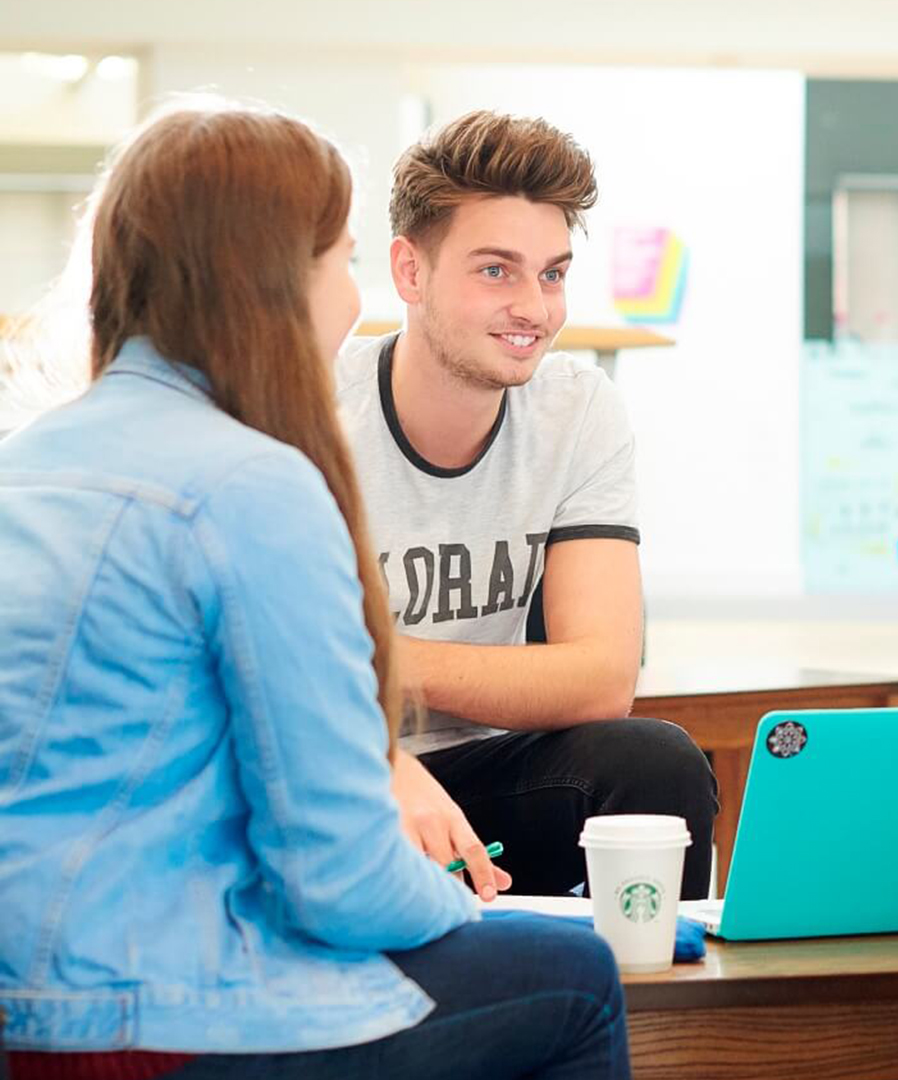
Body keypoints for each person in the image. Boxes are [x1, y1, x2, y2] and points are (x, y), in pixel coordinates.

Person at [0, 103, 627, 1078]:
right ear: (267, 282)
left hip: (29, 1005)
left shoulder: (30, 458)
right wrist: (469, 907)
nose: (352, 298)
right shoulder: (251, 479)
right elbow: (340, 878)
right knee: (576, 972)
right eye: (339, 262)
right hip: (147, 1026)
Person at [338, 110, 717, 900]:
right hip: (335, 769)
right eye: (495, 271)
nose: (536, 309)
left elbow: (601, 678)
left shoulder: (576, 409)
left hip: (488, 775)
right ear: (410, 273)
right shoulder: (316, 409)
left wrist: (383, 656)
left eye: (551, 273)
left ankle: (661, 1014)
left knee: (657, 761)